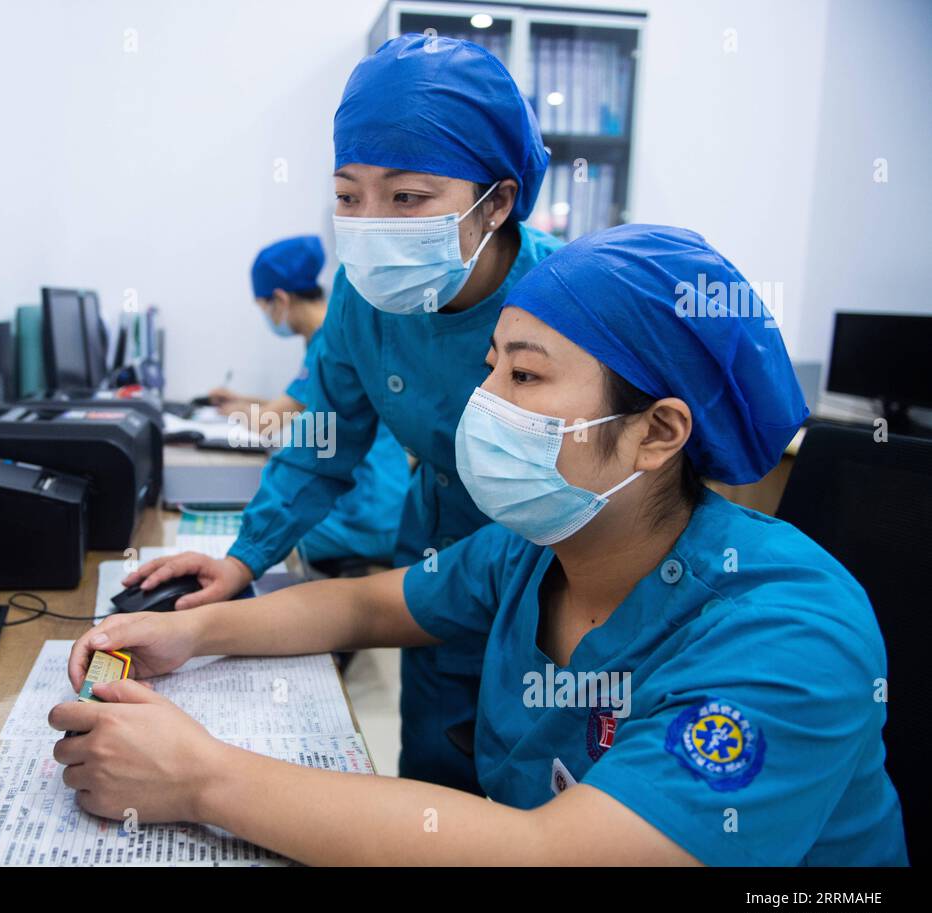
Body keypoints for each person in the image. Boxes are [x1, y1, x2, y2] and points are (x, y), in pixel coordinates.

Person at [48, 225, 907, 866]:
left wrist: (198, 778)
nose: (480, 403)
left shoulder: (792, 633)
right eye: (490, 367)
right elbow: (366, 602)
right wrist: (194, 630)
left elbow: (552, 854)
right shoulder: (538, 548)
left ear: (657, 433)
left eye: (524, 376)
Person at [122, 34, 563, 794]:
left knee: (550, 781)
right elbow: (319, 441)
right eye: (348, 195)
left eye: (407, 197)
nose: (372, 223)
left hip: (564, 571)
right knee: (436, 778)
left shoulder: (567, 297)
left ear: (497, 201)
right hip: (434, 559)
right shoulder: (364, 301)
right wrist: (242, 559)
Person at [207, 235, 410, 569]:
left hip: (366, 515)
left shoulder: (328, 343)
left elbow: (267, 421)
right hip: (381, 501)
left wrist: (235, 412)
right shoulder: (329, 335)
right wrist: (241, 400)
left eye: (264, 308)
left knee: (255, 535)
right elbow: (306, 402)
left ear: (280, 299)